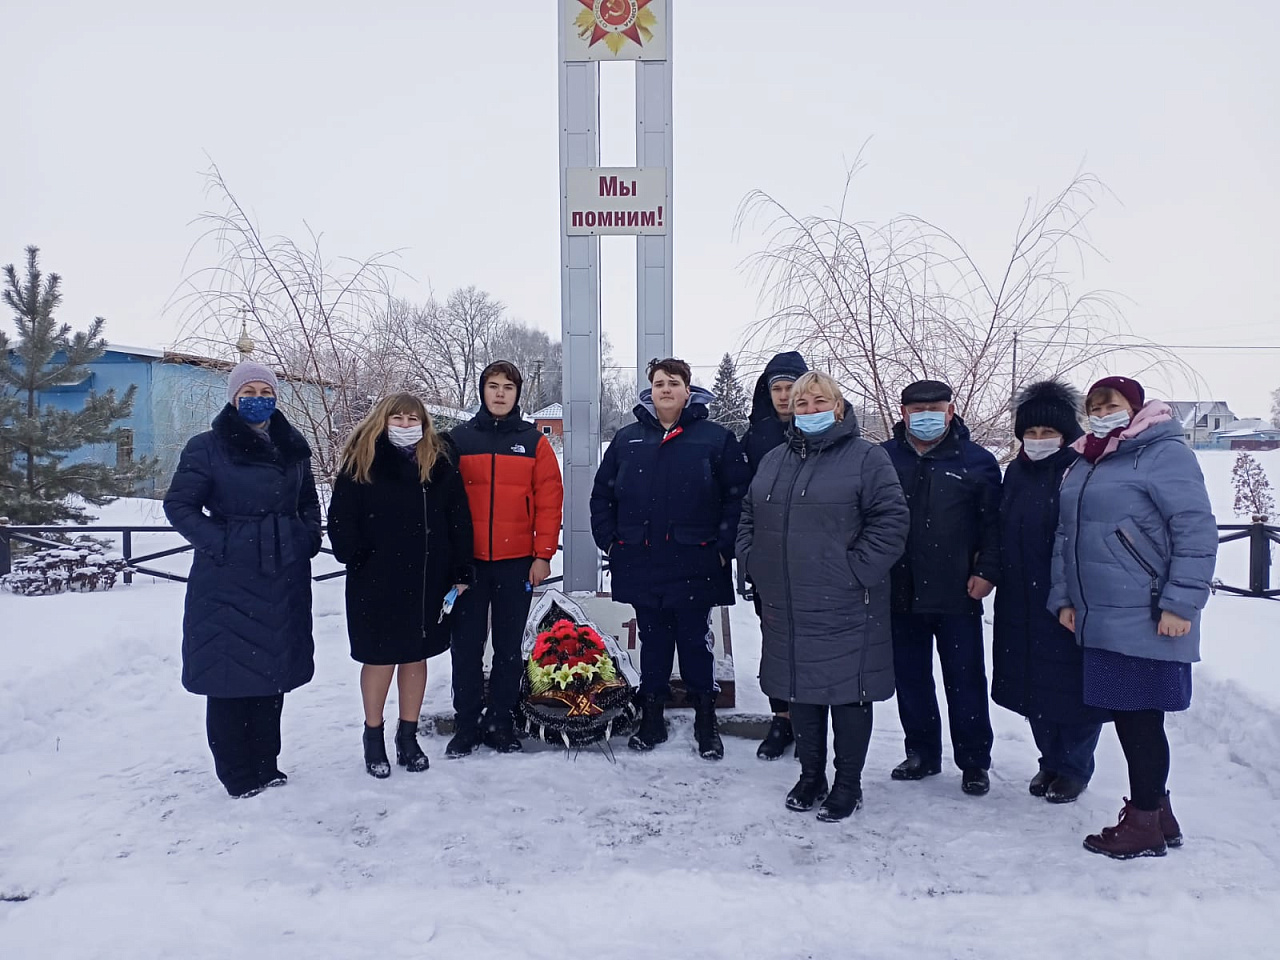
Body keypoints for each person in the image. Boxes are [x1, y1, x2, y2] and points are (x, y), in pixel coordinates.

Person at [1050, 376, 1217, 858]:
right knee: (1131, 718)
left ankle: (1143, 824)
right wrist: (1066, 599)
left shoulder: (1163, 453)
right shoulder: (1087, 459)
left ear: (1137, 407)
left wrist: (1180, 604)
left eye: (1114, 403)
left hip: (1146, 609)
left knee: (1141, 720)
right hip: (1101, 611)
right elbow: (1067, 537)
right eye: (1095, 404)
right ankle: (1158, 816)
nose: (1103, 411)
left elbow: (1195, 529)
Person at [737, 372, 909, 820]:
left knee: (848, 694)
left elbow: (890, 522)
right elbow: (749, 515)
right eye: (801, 404)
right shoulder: (775, 459)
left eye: (818, 402)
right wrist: (753, 560)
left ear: (837, 406)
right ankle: (811, 775)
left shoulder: (866, 459)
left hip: (846, 602)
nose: (810, 410)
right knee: (801, 692)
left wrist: (854, 571)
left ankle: (848, 784)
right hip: (787, 602)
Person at [163, 360, 321, 799]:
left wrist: (305, 536)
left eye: (264, 391)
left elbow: (308, 501)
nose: (257, 398)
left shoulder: (292, 446)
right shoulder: (208, 447)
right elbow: (179, 506)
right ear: (234, 398)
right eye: (248, 391)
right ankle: (236, 771)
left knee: (272, 673)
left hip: (283, 574)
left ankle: (266, 763)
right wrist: (227, 543)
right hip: (227, 581)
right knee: (230, 676)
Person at [590, 357, 750, 759]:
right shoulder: (627, 440)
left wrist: (722, 549)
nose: (665, 389)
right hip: (641, 560)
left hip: (695, 561)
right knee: (654, 641)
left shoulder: (714, 439)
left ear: (687, 390)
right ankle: (652, 718)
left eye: (673, 383)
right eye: (659, 382)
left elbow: (737, 499)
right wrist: (610, 543)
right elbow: (601, 497)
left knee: (696, 642)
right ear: (649, 390)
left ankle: (705, 720)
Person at [327, 393, 474, 779]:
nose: (406, 425)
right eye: (398, 418)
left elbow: (458, 518)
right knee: (379, 658)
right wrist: (357, 554)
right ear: (382, 420)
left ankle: (407, 735)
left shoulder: (439, 463)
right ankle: (372, 735)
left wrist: (461, 570)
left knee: (415, 655)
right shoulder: (362, 460)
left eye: (413, 419)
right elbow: (341, 519)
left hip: (428, 577)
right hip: (375, 579)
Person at [881, 379, 1000, 796]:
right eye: (918, 410)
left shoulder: (977, 461)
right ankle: (922, 752)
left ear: (950, 412)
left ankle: (974, 762)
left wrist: (987, 570)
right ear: (903, 413)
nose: (926, 417)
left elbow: (993, 526)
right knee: (911, 678)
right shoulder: (883, 459)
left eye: (935, 409)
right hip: (899, 589)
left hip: (957, 591)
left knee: (965, 680)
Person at [992, 381, 1108, 803]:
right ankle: (1049, 762)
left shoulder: (1081, 471)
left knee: (1073, 690)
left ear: (1067, 434)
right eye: (1031, 434)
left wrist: (1072, 594)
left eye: (1048, 433)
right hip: (1020, 597)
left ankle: (1075, 767)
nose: (1038, 441)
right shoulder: (1016, 471)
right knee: (1033, 686)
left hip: (1067, 598)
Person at [445, 361, 564, 757]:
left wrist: (543, 554)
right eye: (492, 386)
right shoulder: (458, 440)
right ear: (482, 391)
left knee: (509, 649)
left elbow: (549, 502)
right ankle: (466, 723)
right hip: (468, 566)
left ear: (517, 394)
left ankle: (500, 721)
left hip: (517, 563)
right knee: (466, 647)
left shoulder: (534, 442)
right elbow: (440, 503)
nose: (499, 394)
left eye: (507, 388)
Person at [739, 349, 809, 760]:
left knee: (815, 643)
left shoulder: (824, 431)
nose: (784, 396)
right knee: (776, 642)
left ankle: (811, 721)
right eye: (776, 389)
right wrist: (748, 554)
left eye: (791, 388)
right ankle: (781, 717)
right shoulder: (756, 438)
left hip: (817, 563)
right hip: (770, 561)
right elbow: (741, 501)